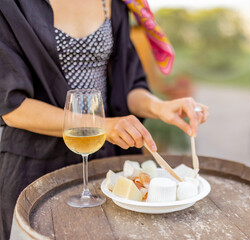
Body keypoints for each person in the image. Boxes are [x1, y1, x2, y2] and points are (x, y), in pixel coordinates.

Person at [0, 0, 209, 238]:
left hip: (105, 160)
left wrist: (159, 107)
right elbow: (12, 107)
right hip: (35, 164)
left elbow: (127, 85)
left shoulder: (114, 4)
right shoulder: (10, 5)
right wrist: (101, 125)